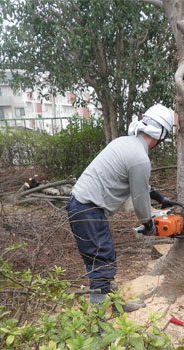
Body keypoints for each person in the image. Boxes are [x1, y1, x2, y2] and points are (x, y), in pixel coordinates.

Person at [67, 104, 175, 305]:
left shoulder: (124, 143)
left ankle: (117, 305)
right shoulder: (140, 158)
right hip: (88, 209)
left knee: (104, 258)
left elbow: (140, 184)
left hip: (82, 205)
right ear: (161, 134)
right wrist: (149, 224)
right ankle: (97, 321)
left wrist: (159, 198)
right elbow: (140, 199)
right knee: (101, 263)